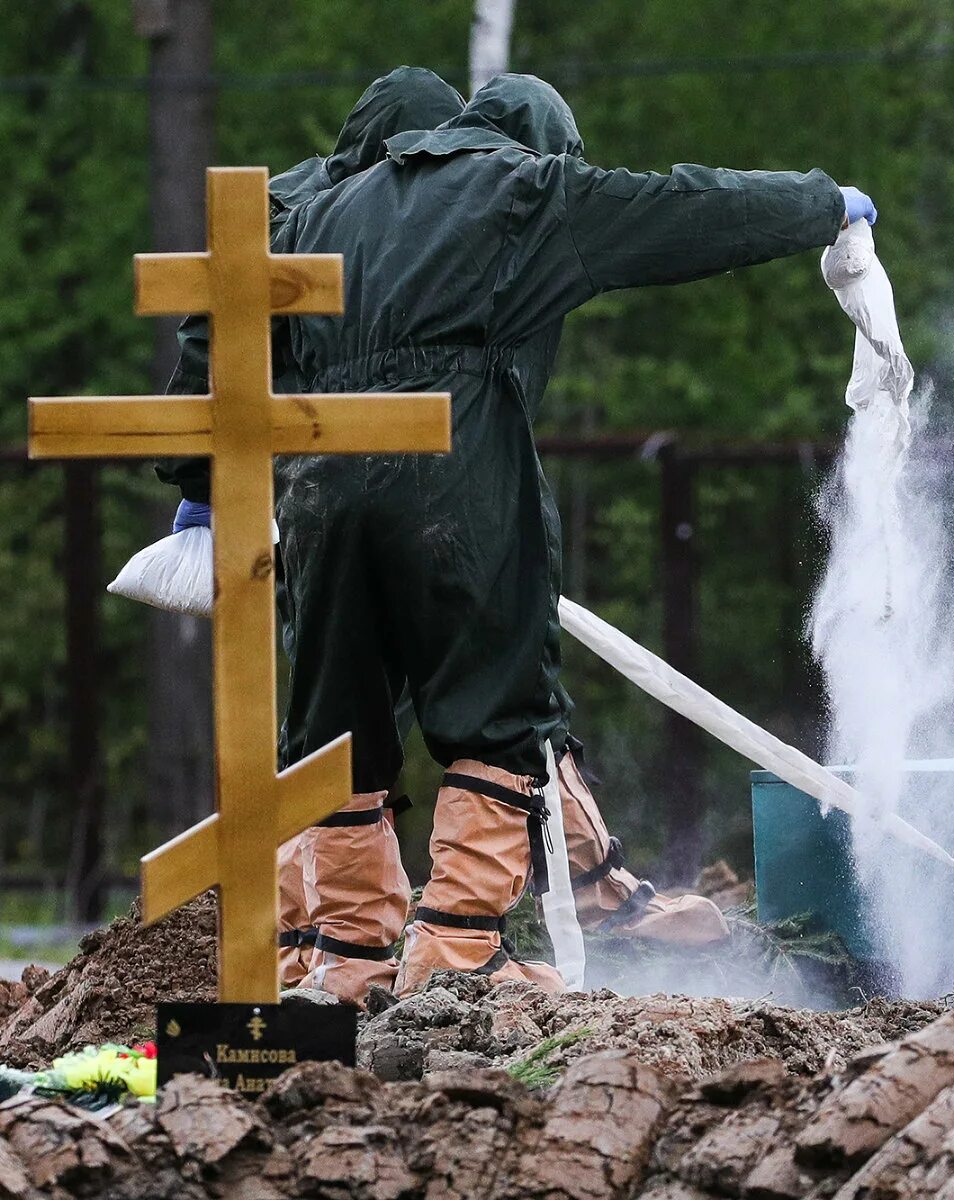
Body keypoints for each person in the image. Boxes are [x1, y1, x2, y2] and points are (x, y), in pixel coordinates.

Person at [274, 73, 873, 998]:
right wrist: (821, 203)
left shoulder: (327, 205)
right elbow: (686, 209)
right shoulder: (523, 190)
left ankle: (341, 960)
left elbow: (217, 319)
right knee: (497, 709)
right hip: (449, 468)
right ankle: (456, 949)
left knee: (337, 727)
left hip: (317, 480)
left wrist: (201, 491)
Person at [151, 67, 467, 991]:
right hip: (308, 485)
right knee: (332, 708)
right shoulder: (306, 210)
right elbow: (215, 337)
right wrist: (205, 484)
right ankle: (314, 931)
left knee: (348, 707)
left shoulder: (348, 201)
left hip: (356, 483)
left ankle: (322, 927)